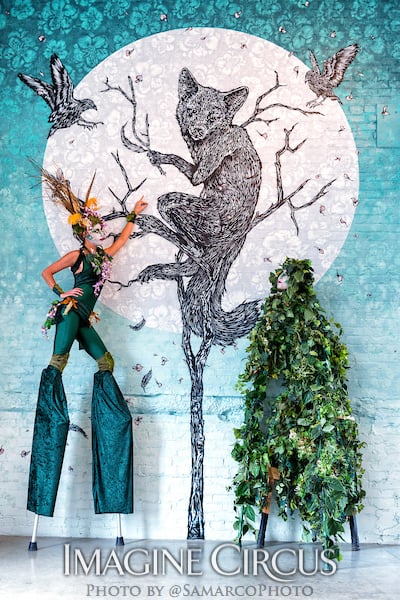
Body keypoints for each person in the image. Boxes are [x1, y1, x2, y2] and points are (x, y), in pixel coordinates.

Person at [27, 168, 147, 522]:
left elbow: (121, 241)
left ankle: (105, 413)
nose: (99, 232)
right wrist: (62, 293)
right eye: (93, 228)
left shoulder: (103, 257)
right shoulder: (77, 255)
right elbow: (47, 272)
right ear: (84, 232)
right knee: (58, 363)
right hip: (69, 313)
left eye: (99, 228)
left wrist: (133, 214)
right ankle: (51, 415)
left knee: (106, 361)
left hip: (85, 318)